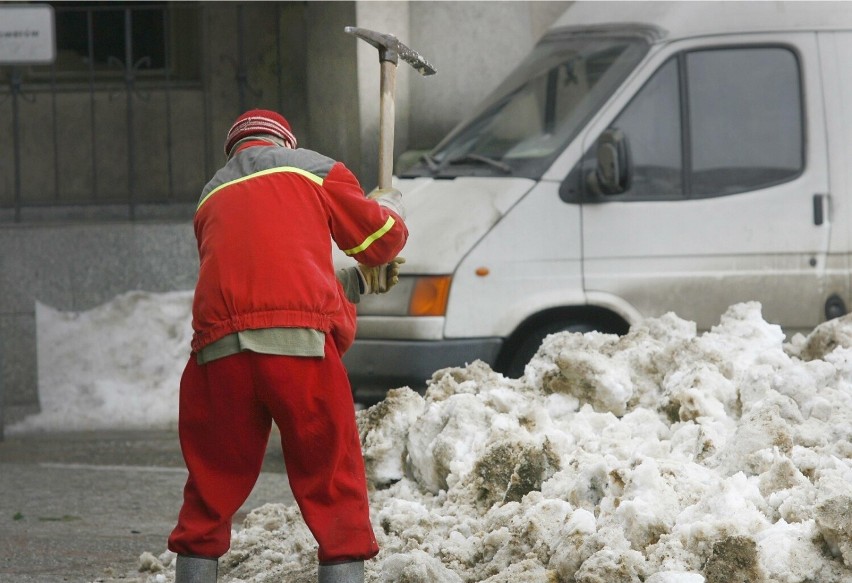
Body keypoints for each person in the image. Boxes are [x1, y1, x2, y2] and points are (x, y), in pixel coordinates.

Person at [167, 109, 408, 583]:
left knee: (209, 490)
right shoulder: (314, 168)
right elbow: (382, 241)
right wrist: (389, 208)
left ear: (236, 149)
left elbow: (264, 287)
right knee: (332, 483)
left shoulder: (210, 196)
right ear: (285, 142)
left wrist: (353, 282)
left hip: (218, 356)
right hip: (298, 354)